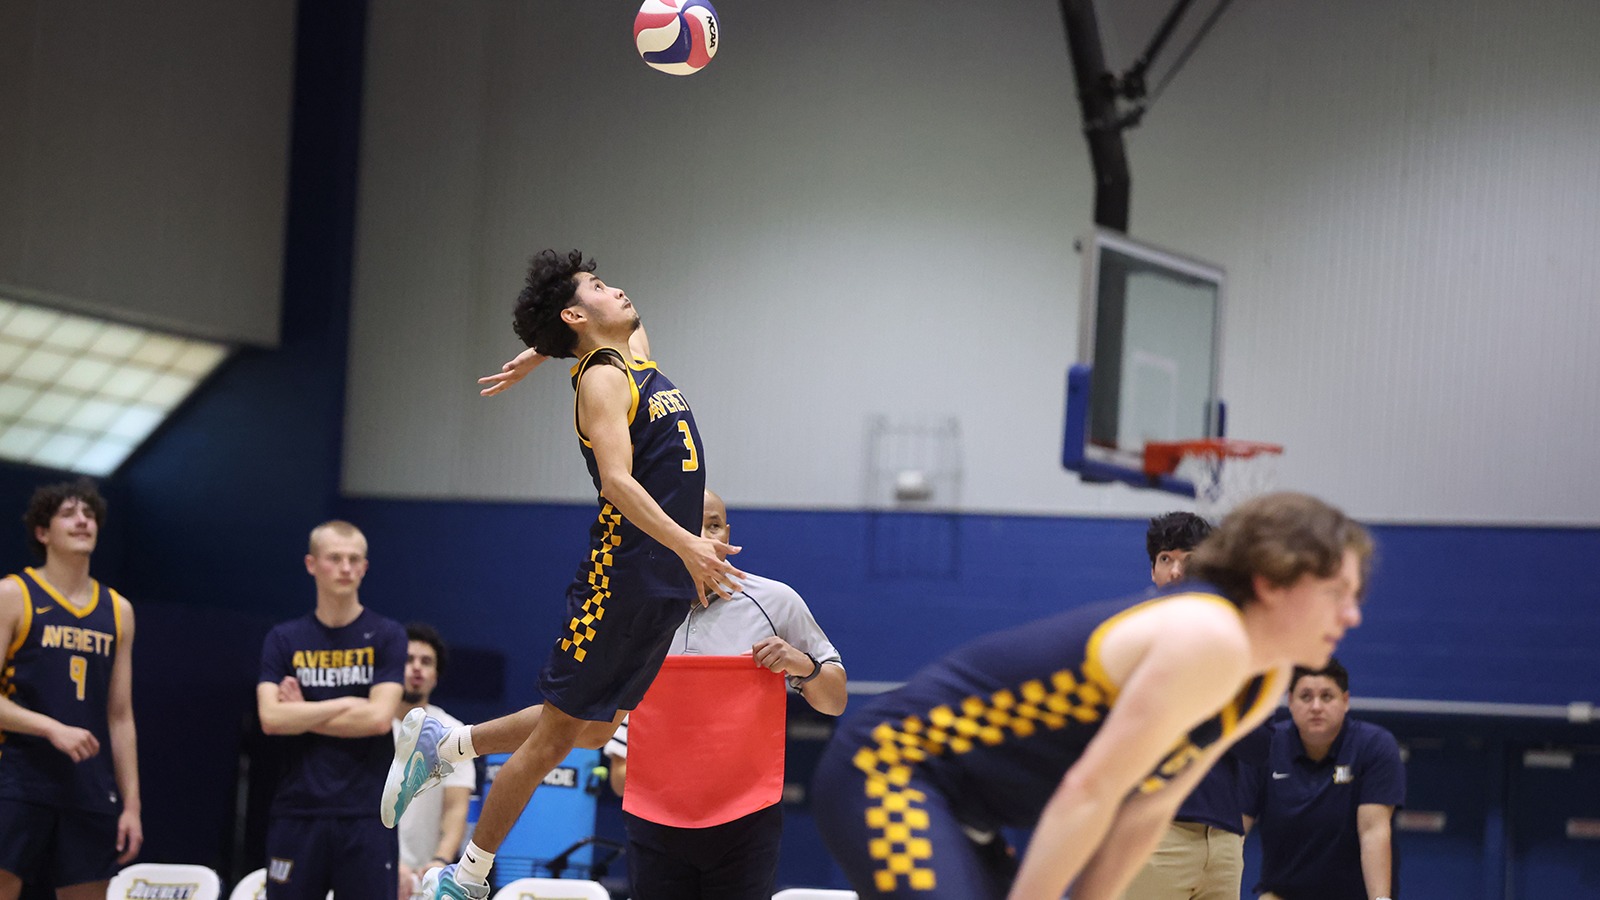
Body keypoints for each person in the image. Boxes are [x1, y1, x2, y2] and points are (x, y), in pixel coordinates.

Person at [384, 248, 743, 899]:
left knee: (598, 726)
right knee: (554, 739)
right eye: (600, 286)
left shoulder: (633, 355)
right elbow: (617, 482)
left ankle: (449, 743)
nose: (620, 289)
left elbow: (610, 325)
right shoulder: (603, 376)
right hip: (624, 580)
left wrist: (543, 348)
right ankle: (464, 879)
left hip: (661, 585)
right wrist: (692, 544)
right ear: (577, 313)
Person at [811, 492, 1373, 900]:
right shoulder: (1209, 637)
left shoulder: (1265, 674)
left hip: (966, 806)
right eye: (1336, 593)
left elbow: (1145, 811)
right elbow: (1088, 792)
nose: (1353, 614)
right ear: (1273, 582)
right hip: (889, 767)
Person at [603, 488, 847, 900]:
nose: (704, 537)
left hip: (747, 822)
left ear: (728, 533)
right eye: (687, 525)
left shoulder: (776, 601)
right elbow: (619, 774)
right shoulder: (636, 613)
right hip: (656, 821)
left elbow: (834, 700)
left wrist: (800, 664)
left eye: (714, 525)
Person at [0, 478, 142, 899]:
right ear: (43, 533)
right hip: (17, 778)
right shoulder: (13, 595)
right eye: (68, 514)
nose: (83, 521)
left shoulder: (118, 610)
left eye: (89, 514)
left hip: (88, 786)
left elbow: (120, 717)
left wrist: (132, 805)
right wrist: (49, 727)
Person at [257, 520, 407, 900]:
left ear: (365, 567)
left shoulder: (388, 635)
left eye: (354, 559)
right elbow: (271, 719)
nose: (345, 567)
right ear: (311, 564)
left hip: (368, 814)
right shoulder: (283, 639)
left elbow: (377, 718)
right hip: (298, 811)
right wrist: (345, 704)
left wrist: (303, 713)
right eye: (335, 558)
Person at [1122, 512, 1252, 900]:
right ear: (1153, 570)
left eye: (1189, 559)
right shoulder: (1130, 638)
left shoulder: (1235, 644)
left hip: (1224, 839)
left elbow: (1259, 748)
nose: (1177, 570)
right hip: (1157, 833)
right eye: (1166, 558)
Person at [1245, 659, 1404, 900]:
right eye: (1306, 697)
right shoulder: (1267, 746)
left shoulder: (1374, 745)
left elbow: (1373, 830)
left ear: (1346, 701)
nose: (1316, 706)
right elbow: (1238, 828)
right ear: (1290, 702)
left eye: (1327, 696)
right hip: (1282, 894)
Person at [395, 624, 476, 899]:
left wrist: (440, 862)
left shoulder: (453, 734)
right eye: (407, 660)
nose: (416, 668)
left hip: (423, 879)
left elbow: (456, 809)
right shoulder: (369, 727)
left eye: (426, 662)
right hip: (367, 866)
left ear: (435, 676)